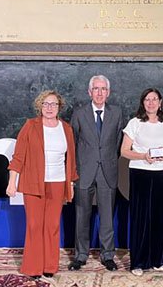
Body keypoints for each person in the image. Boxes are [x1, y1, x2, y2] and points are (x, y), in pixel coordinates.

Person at [6, 90, 78, 279]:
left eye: (53, 104)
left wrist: (70, 183)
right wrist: (12, 182)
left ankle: (49, 266)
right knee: (35, 224)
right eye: (45, 104)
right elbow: (18, 156)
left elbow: (70, 159)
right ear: (40, 106)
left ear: (59, 107)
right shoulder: (30, 126)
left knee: (52, 225)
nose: (49, 108)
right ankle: (33, 267)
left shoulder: (67, 128)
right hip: (33, 183)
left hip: (57, 182)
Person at [68, 75, 125, 271]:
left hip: (108, 172)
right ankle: (81, 255)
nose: (99, 93)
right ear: (89, 92)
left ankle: (107, 255)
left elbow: (118, 142)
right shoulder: (79, 113)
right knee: (82, 215)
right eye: (96, 89)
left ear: (108, 93)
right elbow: (73, 143)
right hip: (84, 171)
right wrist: (74, 172)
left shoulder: (117, 113)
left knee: (107, 217)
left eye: (103, 89)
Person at [120, 88, 163, 276]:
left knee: (159, 217)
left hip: (161, 174)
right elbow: (124, 151)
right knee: (141, 218)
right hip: (140, 172)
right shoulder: (135, 123)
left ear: (160, 102)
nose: (151, 103)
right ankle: (138, 262)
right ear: (143, 103)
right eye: (147, 100)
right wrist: (144, 155)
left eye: (154, 99)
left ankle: (157, 259)